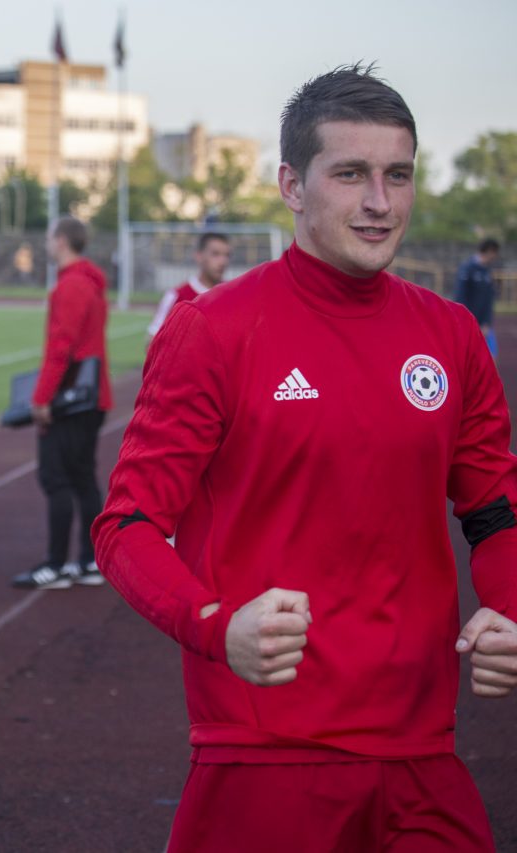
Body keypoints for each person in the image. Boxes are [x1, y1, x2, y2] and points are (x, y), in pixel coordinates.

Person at [92, 64, 517, 851]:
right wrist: (218, 626)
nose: (380, 201)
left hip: (422, 749)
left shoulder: (452, 335)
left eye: (397, 175)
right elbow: (127, 525)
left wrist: (511, 606)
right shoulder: (214, 330)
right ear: (292, 184)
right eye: (350, 174)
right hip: (265, 750)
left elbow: (496, 514)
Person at [11, 216, 113, 591]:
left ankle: (56, 565)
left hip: (71, 400)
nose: (46, 244)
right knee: (83, 478)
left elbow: (61, 347)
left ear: (61, 241)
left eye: (50, 237)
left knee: (57, 479)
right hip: (92, 395)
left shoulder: (71, 285)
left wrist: (41, 399)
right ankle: (89, 561)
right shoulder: (90, 282)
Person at [146, 232, 232, 337]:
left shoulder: (233, 295)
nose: (223, 262)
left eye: (227, 255)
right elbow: (153, 339)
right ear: (199, 256)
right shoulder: (176, 296)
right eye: (215, 254)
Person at [454, 237, 501, 356]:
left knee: (491, 354)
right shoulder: (467, 268)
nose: (495, 256)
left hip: (484, 323)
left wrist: (486, 322)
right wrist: (466, 321)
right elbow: (460, 297)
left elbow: (488, 299)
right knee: (468, 355)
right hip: (469, 322)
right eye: (495, 253)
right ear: (490, 251)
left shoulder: (487, 271)